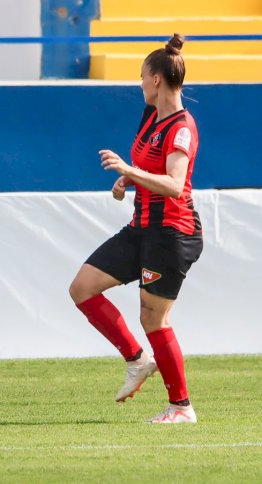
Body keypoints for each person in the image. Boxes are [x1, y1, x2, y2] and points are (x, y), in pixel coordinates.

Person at [69, 34, 202, 423]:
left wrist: (129, 170)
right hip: (142, 226)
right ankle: (137, 360)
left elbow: (176, 184)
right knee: (82, 288)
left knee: (153, 319)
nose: (141, 83)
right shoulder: (151, 116)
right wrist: (129, 181)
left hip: (172, 233)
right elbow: (151, 167)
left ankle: (181, 407)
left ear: (157, 79)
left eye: (143, 76)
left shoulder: (182, 127)